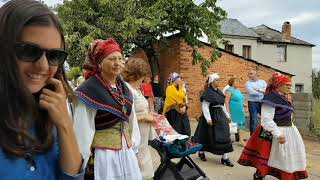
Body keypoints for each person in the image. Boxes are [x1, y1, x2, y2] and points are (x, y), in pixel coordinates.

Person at [0, 0, 84, 179]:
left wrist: (65, 124)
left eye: (54, 55)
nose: (43, 66)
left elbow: (72, 176)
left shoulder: (49, 112)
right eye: (29, 51)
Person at [73, 39, 142, 180]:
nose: (118, 63)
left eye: (120, 59)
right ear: (99, 63)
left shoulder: (124, 88)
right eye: (111, 59)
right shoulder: (89, 90)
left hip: (126, 152)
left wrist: (134, 149)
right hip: (104, 156)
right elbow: (82, 131)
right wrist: (81, 163)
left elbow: (131, 121)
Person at [238, 72, 308, 180]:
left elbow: (289, 117)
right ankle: (258, 176)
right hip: (274, 133)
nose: (290, 87)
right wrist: (278, 134)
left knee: (284, 158)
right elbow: (266, 120)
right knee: (270, 157)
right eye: (287, 85)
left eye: (290, 85)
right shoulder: (270, 99)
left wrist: (292, 131)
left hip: (288, 131)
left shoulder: (284, 98)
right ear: (279, 85)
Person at [123, 58, 158, 180]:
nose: (144, 78)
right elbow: (123, 118)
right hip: (134, 143)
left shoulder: (136, 89)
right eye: (143, 75)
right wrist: (144, 117)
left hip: (142, 143)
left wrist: (150, 116)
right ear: (138, 74)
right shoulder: (127, 90)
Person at [194, 73, 234, 166]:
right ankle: (201, 152)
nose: (219, 81)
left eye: (219, 80)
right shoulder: (208, 92)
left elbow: (222, 105)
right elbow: (205, 106)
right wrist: (208, 118)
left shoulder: (219, 92)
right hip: (210, 115)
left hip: (219, 114)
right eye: (217, 80)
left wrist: (227, 116)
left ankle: (225, 158)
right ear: (212, 81)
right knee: (206, 135)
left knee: (224, 134)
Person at [163, 72, 191, 136]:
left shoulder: (181, 88)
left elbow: (184, 98)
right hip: (173, 112)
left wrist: (184, 107)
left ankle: (184, 143)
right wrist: (179, 108)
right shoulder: (169, 88)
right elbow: (170, 101)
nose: (181, 80)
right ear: (174, 79)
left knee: (185, 129)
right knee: (175, 130)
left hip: (182, 111)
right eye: (179, 78)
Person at [225, 78, 246, 146]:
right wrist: (228, 112)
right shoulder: (229, 90)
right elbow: (226, 102)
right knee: (231, 126)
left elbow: (240, 100)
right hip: (233, 111)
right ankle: (226, 140)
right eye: (236, 81)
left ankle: (241, 140)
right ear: (232, 82)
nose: (238, 82)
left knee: (241, 126)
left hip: (240, 111)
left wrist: (243, 104)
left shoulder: (238, 90)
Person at [246, 70, 267, 135]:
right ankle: (253, 137)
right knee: (253, 120)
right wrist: (261, 92)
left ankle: (265, 135)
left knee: (265, 118)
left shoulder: (262, 82)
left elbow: (266, 90)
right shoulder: (248, 83)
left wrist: (258, 90)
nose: (249, 75)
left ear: (256, 74)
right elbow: (251, 92)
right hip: (252, 103)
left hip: (262, 102)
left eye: (251, 73)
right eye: (249, 74)